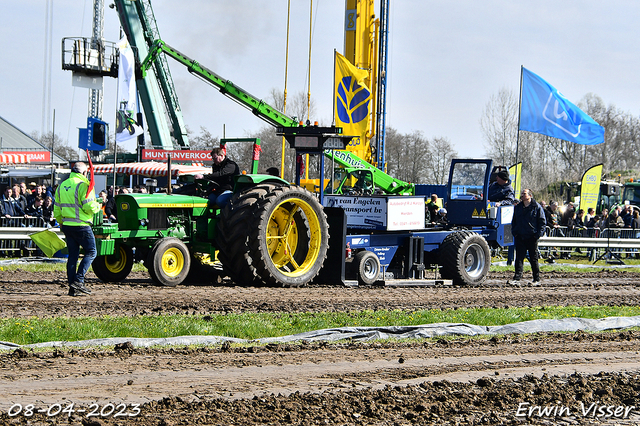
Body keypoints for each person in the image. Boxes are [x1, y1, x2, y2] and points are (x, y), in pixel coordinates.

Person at [54, 162, 100, 297]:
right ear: (85, 173)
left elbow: (57, 209)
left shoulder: (62, 185)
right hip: (82, 225)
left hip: (67, 225)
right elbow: (89, 207)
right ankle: (79, 281)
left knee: (73, 256)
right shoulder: (84, 185)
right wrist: (98, 205)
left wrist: (61, 222)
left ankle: (72, 287)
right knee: (91, 252)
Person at [510, 188, 546, 285]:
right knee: (519, 258)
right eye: (522, 193)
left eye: (524, 194)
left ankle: (536, 279)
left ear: (530, 195)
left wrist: (537, 235)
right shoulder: (518, 207)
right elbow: (514, 221)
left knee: (533, 259)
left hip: (531, 237)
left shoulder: (537, 207)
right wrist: (515, 233)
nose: (522, 195)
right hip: (520, 236)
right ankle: (517, 278)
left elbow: (542, 223)